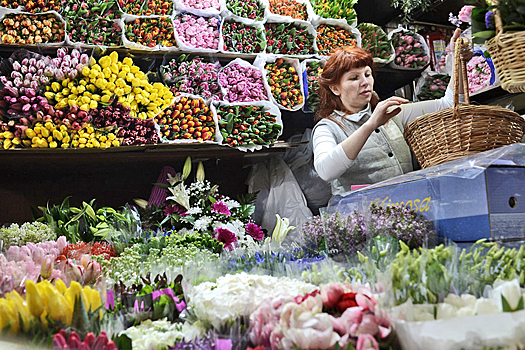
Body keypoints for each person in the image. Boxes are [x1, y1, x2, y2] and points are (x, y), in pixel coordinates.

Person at [312, 29, 470, 196]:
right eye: (354, 78)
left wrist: (458, 60)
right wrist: (371, 124)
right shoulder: (328, 127)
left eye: (367, 74)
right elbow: (326, 171)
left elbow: (449, 105)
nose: (365, 82)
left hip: (406, 210)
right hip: (360, 218)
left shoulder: (392, 112)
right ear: (335, 88)